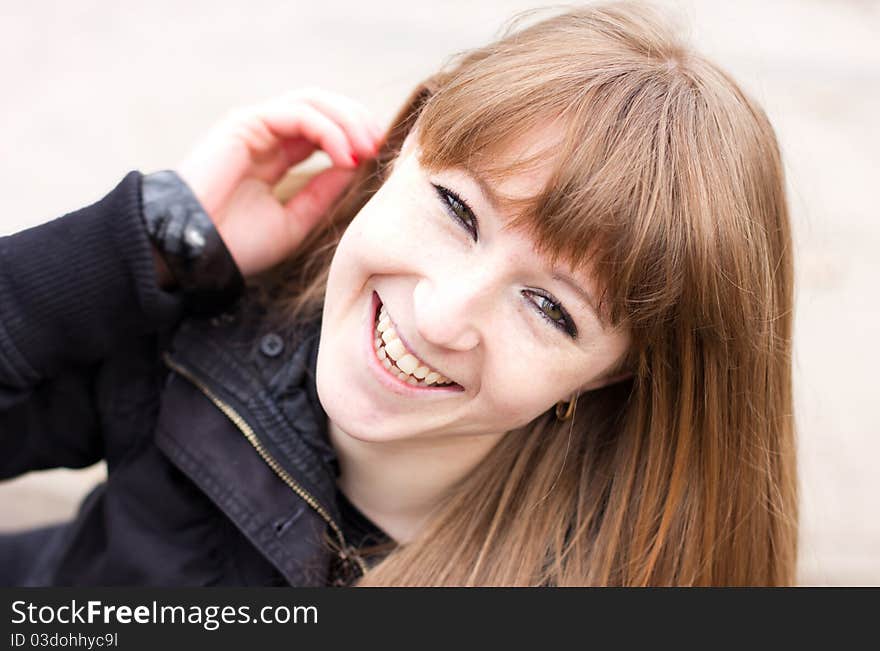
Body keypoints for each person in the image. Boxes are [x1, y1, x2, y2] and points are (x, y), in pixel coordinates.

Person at [0, 1, 797, 586]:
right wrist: (148, 245)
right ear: (398, 147)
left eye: (551, 308)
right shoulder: (216, 321)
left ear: (610, 375)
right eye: (458, 210)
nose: (443, 314)